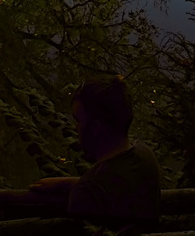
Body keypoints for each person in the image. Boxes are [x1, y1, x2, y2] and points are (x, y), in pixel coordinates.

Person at [31, 77, 162, 226]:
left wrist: (81, 186)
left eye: (78, 120)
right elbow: (116, 185)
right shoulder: (145, 156)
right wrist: (67, 183)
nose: (76, 128)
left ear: (94, 128)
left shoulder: (87, 193)